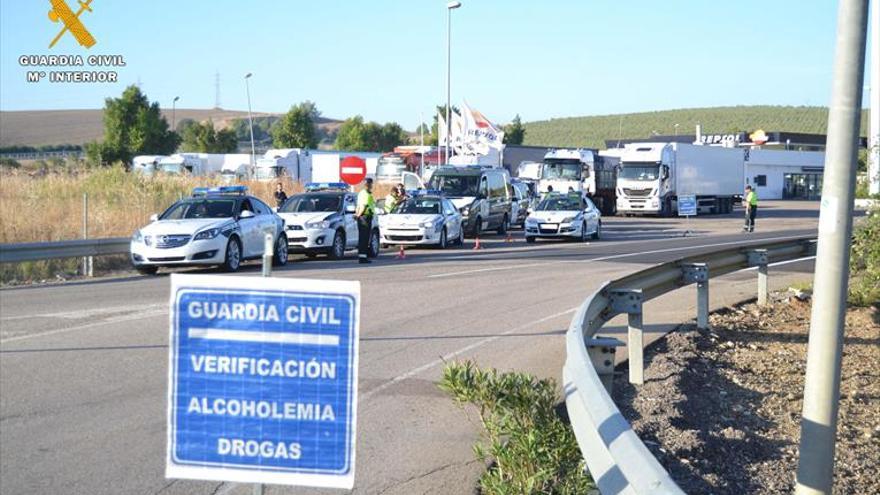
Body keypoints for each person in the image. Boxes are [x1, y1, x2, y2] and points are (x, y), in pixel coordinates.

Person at [355, 178, 376, 264]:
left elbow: (358, 206)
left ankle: (362, 256)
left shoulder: (361, 193)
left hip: (362, 217)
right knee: (364, 238)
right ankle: (363, 258)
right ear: (368, 184)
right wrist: (358, 215)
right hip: (365, 217)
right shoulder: (366, 194)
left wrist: (357, 215)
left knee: (362, 237)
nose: (371, 185)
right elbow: (363, 207)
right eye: (371, 184)